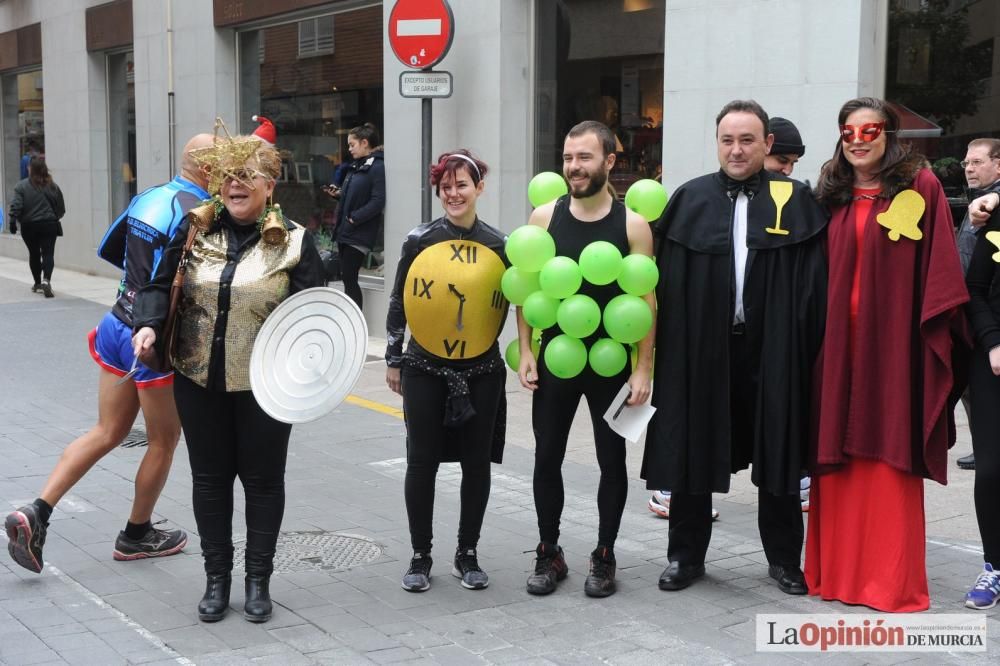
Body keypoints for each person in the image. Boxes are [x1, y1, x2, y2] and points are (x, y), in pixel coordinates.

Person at [132, 130, 324, 624]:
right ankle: (217, 579)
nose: (236, 184)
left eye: (247, 175)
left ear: (269, 184)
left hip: (267, 389)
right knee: (210, 480)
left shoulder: (298, 242)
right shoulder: (194, 231)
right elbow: (157, 284)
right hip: (198, 382)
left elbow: (315, 319)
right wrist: (149, 326)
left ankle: (258, 581)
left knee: (262, 482)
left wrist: (315, 374)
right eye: (228, 176)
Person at [3, 135, 214, 576]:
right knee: (163, 441)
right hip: (153, 337)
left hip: (117, 323)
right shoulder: (199, 211)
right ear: (210, 168)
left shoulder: (151, 195)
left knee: (106, 430)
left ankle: (37, 512)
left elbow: (109, 247)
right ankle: (136, 534)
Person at [642, 100, 828, 596]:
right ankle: (685, 557)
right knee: (692, 450)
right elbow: (662, 286)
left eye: (748, 140)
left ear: (768, 145)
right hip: (703, 349)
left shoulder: (796, 199)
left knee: (779, 448)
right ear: (717, 143)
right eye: (728, 139)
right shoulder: (690, 199)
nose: (737, 149)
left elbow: (815, 284)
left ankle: (786, 559)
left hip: (774, 348)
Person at [806, 97, 968, 613]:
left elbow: (940, 266)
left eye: (869, 129)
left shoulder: (920, 186)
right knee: (836, 447)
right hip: (835, 350)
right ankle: (834, 575)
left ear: (888, 134)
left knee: (888, 448)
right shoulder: (829, 191)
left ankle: (887, 581)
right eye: (847, 131)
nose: (858, 139)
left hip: (892, 347)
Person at [517, 120, 655, 598]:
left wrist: (643, 368)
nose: (574, 167)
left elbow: (647, 301)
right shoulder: (544, 217)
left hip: (613, 362)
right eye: (568, 157)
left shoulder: (633, 224)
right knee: (546, 457)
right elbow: (527, 286)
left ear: (610, 162)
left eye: (585, 157)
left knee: (611, 460)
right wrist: (526, 351)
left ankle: (604, 555)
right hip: (556, 356)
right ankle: (548, 551)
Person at [385, 150, 508, 593]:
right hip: (424, 366)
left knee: (477, 465)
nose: (453, 194)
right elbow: (399, 301)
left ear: (479, 188)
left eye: (462, 185)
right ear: (438, 191)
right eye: (446, 186)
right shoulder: (419, 240)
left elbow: (512, 303)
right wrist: (394, 359)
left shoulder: (500, 245)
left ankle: (467, 553)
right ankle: (421, 555)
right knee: (422, 462)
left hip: (483, 370)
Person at [962, 187, 1000, 609]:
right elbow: (974, 288)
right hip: (994, 361)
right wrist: (992, 342)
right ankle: (994, 565)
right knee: (991, 469)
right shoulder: (994, 216)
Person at [954, 138, 1000, 472]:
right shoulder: (976, 202)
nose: (969, 168)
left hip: (982, 311)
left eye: (977, 162)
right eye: (966, 163)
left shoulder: (990, 205)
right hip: (968, 305)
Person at [334, 123, 385, 310]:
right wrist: (338, 195)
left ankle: (355, 324)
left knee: (349, 277)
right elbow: (356, 195)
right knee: (347, 277)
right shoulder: (357, 165)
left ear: (365, 143)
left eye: (351, 144)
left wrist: (354, 218)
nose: (349, 149)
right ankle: (351, 321)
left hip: (358, 232)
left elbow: (378, 201)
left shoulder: (377, 166)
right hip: (347, 231)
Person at [8, 157, 65, 297]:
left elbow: (17, 205)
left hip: (29, 226)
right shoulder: (53, 186)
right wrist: (54, 217)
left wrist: (13, 221)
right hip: (49, 224)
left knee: (34, 254)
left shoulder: (21, 186)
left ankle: (37, 283)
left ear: (30, 169)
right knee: (48, 253)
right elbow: (61, 207)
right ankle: (47, 280)